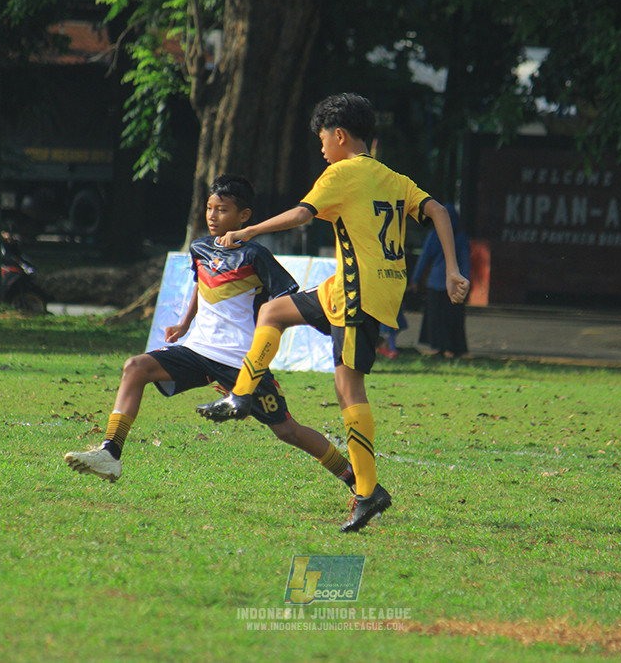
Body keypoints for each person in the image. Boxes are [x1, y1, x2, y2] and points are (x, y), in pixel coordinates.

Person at [196, 93, 470, 533]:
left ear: (339, 135)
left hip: (359, 294)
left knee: (349, 389)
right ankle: (242, 395)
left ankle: (368, 492)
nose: (321, 148)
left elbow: (301, 214)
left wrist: (248, 231)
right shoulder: (392, 177)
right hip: (352, 288)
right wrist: (453, 269)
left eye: (323, 139)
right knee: (274, 312)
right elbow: (437, 210)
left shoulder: (341, 172)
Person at [64, 174, 356, 498]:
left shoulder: (255, 255)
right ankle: (111, 453)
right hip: (198, 350)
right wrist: (185, 324)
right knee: (135, 367)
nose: (213, 216)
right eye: (209, 208)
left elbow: (287, 299)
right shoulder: (200, 248)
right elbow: (200, 285)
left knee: (288, 431)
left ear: (244, 216)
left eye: (222, 210)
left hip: (241, 361)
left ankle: (355, 478)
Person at [412, 204, 471, 358]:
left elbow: (424, 257)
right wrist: (466, 282)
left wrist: (415, 279)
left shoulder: (435, 234)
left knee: (435, 317)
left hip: (435, 282)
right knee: (453, 318)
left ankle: (437, 347)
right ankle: (454, 348)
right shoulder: (461, 237)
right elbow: (465, 261)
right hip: (455, 284)